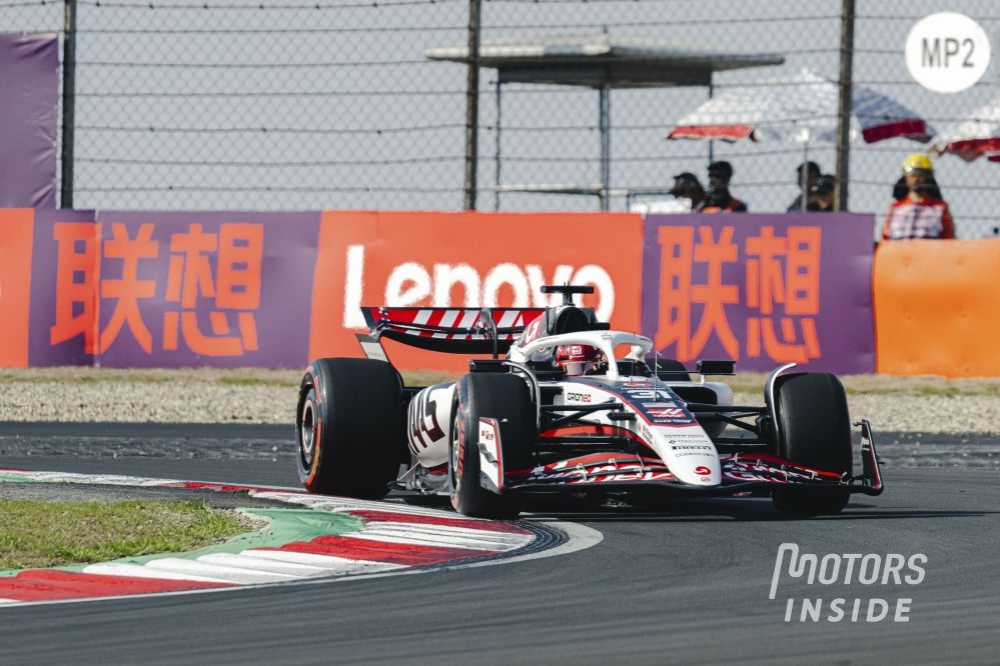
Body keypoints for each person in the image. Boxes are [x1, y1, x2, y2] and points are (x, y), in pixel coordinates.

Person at [882, 154, 955, 240]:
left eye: (921, 175)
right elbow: (885, 236)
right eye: (913, 175)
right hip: (900, 248)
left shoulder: (939, 207)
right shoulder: (895, 207)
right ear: (906, 177)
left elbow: (948, 237)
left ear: (928, 178)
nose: (916, 179)